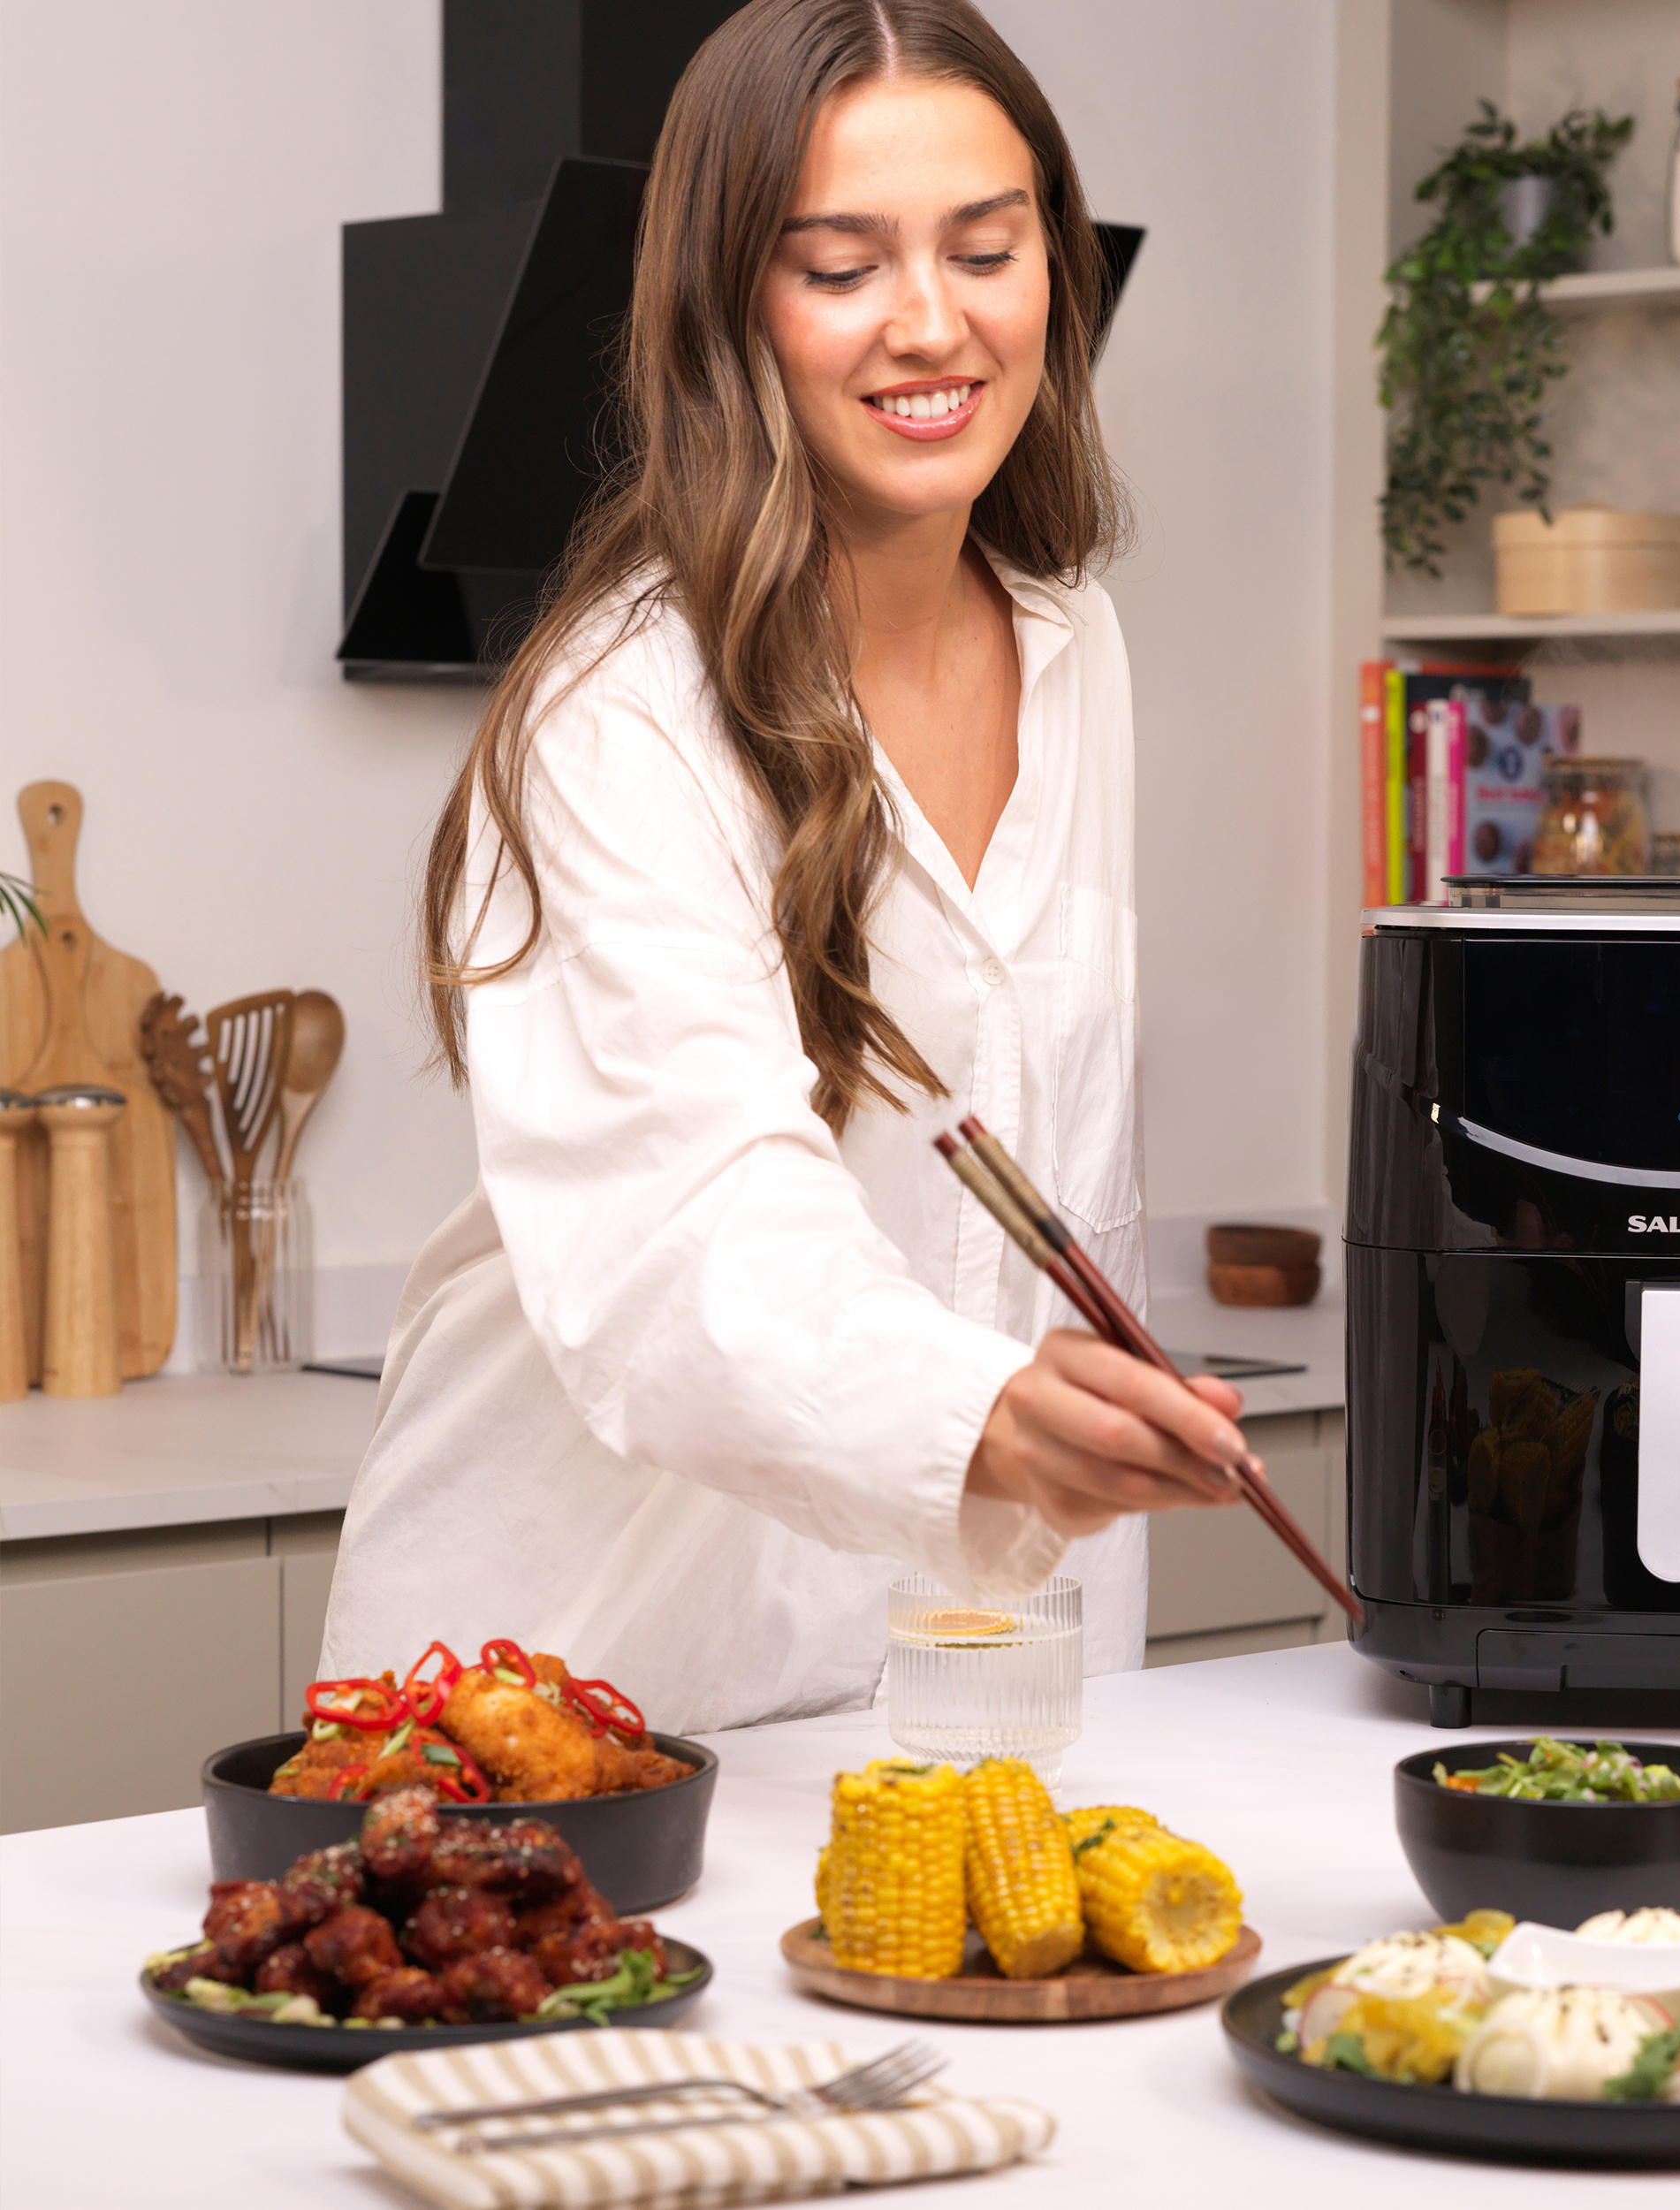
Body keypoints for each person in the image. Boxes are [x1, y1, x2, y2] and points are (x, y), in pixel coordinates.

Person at [320, 0, 1258, 1732]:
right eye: (839, 266)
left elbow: (1066, 1173)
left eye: (986, 248)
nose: (930, 321)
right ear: (729, 309)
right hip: (581, 1698)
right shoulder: (619, 717)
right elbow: (699, 1233)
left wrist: (1069, 1619)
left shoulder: (1072, 645)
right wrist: (979, 1416)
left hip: (949, 1695)